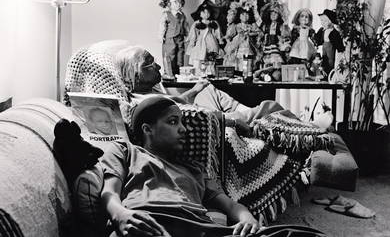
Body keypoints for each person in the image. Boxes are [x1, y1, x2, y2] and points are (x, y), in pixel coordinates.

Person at [100, 96, 326, 237]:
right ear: (147, 129)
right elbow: (109, 192)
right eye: (172, 122)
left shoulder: (194, 168)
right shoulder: (125, 151)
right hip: (147, 223)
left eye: (181, 122)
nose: (183, 130)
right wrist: (120, 214)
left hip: (200, 228)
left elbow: (230, 206)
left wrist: (248, 221)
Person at [114, 45, 273, 136]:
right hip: (216, 118)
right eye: (150, 64)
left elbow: (178, 102)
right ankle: (249, 113)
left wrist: (196, 89)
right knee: (270, 107)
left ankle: (244, 110)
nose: (158, 67)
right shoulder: (150, 103)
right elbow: (190, 113)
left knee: (207, 90)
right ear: (134, 73)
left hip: (207, 111)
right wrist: (233, 121)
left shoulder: (146, 92)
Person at [157, 0, 189, 78]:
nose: (178, 4)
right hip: (170, 39)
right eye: (175, 2)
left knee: (180, 56)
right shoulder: (166, 15)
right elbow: (162, 26)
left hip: (180, 39)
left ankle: (178, 73)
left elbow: (185, 26)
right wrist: (161, 36)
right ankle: (169, 73)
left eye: (179, 2)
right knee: (169, 55)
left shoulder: (182, 15)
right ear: (169, 4)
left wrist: (187, 35)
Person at [186, 0, 224, 74]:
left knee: (211, 57)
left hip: (210, 41)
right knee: (199, 56)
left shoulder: (213, 22)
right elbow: (194, 34)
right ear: (200, 14)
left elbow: (217, 32)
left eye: (207, 12)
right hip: (200, 42)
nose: (206, 14)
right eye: (203, 12)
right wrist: (192, 42)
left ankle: (210, 72)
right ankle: (198, 72)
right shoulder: (197, 23)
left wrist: (220, 40)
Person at [314, 9, 345, 75]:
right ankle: (324, 72)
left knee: (330, 61)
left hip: (331, 47)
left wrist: (340, 49)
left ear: (331, 21)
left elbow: (339, 44)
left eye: (324, 21)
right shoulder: (322, 30)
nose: (322, 23)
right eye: (321, 21)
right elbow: (317, 39)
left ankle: (330, 73)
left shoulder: (334, 32)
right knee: (324, 59)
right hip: (324, 47)